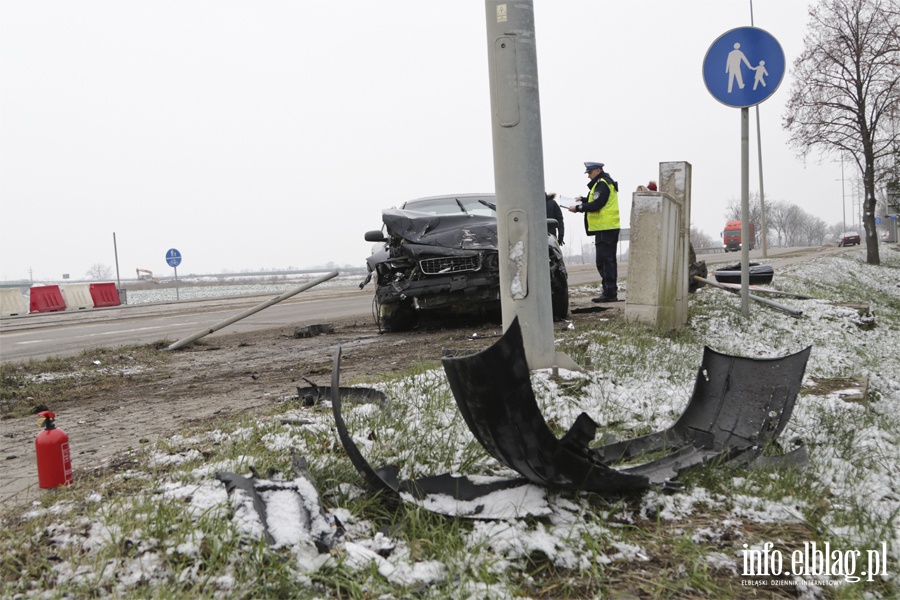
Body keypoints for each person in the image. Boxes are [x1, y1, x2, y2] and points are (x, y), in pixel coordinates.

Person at [568, 161, 620, 302]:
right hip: (607, 228)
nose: (588, 176)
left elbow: (597, 204)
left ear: (597, 170)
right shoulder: (603, 182)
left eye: (590, 173)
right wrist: (583, 200)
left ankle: (609, 293)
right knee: (608, 261)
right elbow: (598, 200)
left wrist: (579, 208)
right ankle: (610, 291)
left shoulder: (602, 183)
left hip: (605, 228)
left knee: (604, 262)